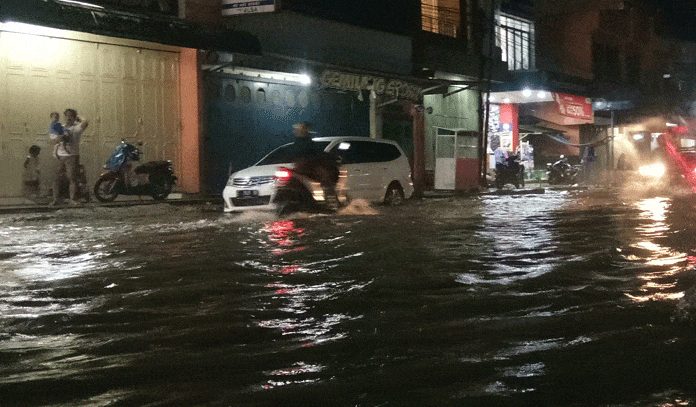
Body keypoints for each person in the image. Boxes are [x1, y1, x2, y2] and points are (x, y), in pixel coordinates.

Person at [49, 108, 89, 206]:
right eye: (66, 115)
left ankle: (73, 199)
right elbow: (52, 140)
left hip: (72, 156)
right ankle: (56, 199)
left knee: (72, 178)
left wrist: (80, 117)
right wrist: (59, 139)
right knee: (56, 179)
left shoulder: (76, 128)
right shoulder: (60, 127)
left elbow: (85, 123)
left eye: (71, 115)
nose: (68, 117)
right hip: (59, 156)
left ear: (75, 117)